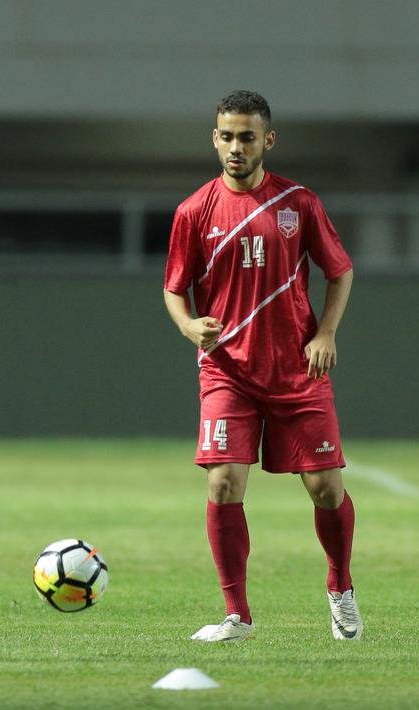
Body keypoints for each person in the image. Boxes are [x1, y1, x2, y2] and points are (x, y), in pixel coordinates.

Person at [163, 90, 360, 642]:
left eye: (246, 136)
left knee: (325, 488)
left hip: (297, 371)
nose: (235, 146)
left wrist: (325, 331)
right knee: (224, 484)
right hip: (227, 370)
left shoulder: (298, 202)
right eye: (226, 135)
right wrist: (186, 325)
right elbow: (174, 289)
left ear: (267, 141)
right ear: (214, 139)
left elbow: (340, 271)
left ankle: (340, 587)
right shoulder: (193, 211)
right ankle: (237, 616)